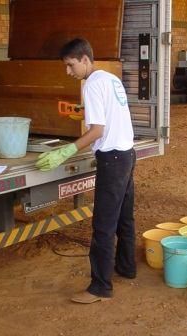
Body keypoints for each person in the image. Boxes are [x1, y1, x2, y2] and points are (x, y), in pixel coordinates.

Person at [36, 38, 136, 304]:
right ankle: (127, 268)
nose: (69, 72)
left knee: (103, 225)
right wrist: (85, 113)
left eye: (70, 66)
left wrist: (67, 150)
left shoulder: (91, 84)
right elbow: (109, 114)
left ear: (84, 59)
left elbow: (98, 131)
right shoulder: (110, 78)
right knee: (125, 218)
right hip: (127, 153)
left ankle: (100, 288)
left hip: (112, 160)